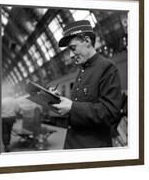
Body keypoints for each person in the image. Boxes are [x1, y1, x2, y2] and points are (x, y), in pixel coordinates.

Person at [51, 20, 122, 149]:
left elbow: (110, 113)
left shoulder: (107, 68)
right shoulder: (81, 71)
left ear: (87, 41)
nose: (71, 55)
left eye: (73, 48)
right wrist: (60, 99)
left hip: (93, 147)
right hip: (72, 144)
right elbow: (81, 104)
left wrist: (72, 107)